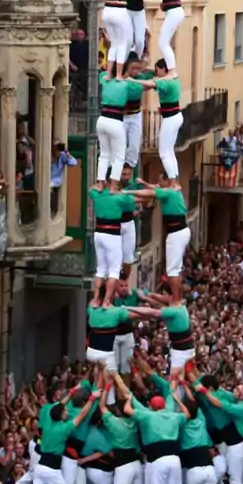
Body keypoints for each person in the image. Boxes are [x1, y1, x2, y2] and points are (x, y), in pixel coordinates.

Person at [14, 384, 98, 484]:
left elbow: (60, 405)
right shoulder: (64, 429)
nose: (67, 411)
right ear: (61, 415)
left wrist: (72, 391)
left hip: (40, 468)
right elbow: (83, 414)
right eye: (65, 411)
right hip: (52, 471)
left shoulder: (47, 422)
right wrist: (92, 398)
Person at [112, 372, 185, 484]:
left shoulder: (147, 415)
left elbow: (128, 400)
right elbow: (172, 390)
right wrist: (177, 374)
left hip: (157, 461)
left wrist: (117, 378)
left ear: (151, 406)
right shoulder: (173, 413)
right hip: (175, 460)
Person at [96, 372, 149, 484]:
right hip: (137, 464)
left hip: (123, 466)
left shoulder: (113, 423)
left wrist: (107, 387)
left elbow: (102, 406)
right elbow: (131, 398)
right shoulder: (134, 422)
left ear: (118, 411)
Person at [130, 59, 182, 180]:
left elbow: (150, 83)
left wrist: (131, 80)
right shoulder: (173, 78)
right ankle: (175, 178)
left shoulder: (165, 81)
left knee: (163, 152)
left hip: (170, 119)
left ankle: (172, 180)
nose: (156, 73)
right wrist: (145, 69)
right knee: (170, 151)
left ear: (164, 69)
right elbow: (154, 79)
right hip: (175, 116)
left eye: (157, 70)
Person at [89, 181, 127, 309]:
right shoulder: (119, 196)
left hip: (99, 233)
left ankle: (95, 300)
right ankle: (106, 302)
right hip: (112, 235)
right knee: (114, 271)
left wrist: (100, 184)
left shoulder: (97, 194)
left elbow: (90, 189)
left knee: (101, 269)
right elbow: (131, 203)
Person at [103, 0, 135, 79]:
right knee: (122, 44)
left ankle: (108, 73)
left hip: (107, 11)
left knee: (114, 44)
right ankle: (118, 74)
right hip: (120, 11)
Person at [96, 70, 129, 185]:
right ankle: (113, 186)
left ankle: (100, 183)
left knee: (104, 154)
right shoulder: (126, 84)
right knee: (119, 156)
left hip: (102, 120)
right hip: (116, 121)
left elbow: (102, 74)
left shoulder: (105, 79)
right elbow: (140, 88)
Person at [122, 55, 146, 172]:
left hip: (136, 115)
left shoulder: (141, 78)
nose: (136, 71)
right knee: (121, 142)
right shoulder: (121, 78)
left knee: (134, 144)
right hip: (123, 116)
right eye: (133, 68)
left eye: (138, 68)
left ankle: (130, 166)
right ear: (127, 68)